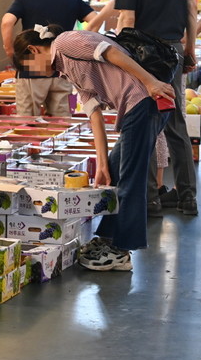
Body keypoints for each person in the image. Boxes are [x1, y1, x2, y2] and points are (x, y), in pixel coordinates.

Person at [13, 24, 174, 271]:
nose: (33, 74)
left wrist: (151, 82)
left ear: (34, 50)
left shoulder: (66, 42)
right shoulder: (66, 70)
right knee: (114, 172)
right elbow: (94, 115)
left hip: (143, 100)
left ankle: (122, 250)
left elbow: (111, 53)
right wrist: (101, 165)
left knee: (130, 180)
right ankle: (108, 238)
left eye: (29, 68)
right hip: (137, 107)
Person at [108, 0, 199, 217]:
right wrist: (189, 49)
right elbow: (191, 7)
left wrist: (120, 56)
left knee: (144, 123)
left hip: (144, 56)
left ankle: (150, 200)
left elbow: (128, 19)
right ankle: (187, 198)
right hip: (173, 50)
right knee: (175, 124)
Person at [1, 0, 97, 116]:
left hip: (32, 67)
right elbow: (94, 19)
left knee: (27, 122)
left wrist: (11, 52)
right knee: (62, 123)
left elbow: (7, 22)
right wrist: (80, 47)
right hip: (63, 69)